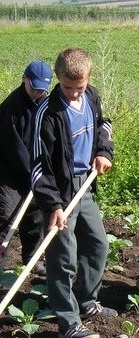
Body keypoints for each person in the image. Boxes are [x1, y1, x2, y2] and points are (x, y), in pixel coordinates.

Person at [31, 48, 116, 338]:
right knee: (63, 259)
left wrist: (104, 151)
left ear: (88, 80)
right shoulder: (48, 113)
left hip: (86, 185)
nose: (74, 94)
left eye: (78, 88)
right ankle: (68, 323)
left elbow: (104, 124)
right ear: (58, 79)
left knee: (97, 246)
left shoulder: (91, 96)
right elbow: (39, 166)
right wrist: (53, 204)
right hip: (60, 193)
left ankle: (86, 301)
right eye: (68, 88)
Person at [0, 60, 52, 277]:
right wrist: (32, 174)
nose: (38, 92)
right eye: (34, 88)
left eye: (42, 89)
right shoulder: (11, 109)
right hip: (9, 173)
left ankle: (32, 259)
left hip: (33, 171)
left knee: (35, 216)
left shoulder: (46, 104)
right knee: (6, 218)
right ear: (24, 80)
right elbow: (15, 149)